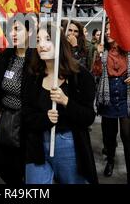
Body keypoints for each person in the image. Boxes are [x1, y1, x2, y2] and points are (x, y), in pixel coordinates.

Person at [24, 23, 98, 184]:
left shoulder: (80, 76)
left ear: (60, 43)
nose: (41, 45)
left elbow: (88, 117)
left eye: (48, 39)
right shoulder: (33, 75)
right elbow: (26, 115)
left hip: (68, 144)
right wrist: (45, 118)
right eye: (38, 40)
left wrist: (66, 101)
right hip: (36, 145)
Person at [93, 22, 130, 184]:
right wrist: (97, 55)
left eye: (111, 29)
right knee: (109, 136)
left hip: (126, 97)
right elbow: (95, 72)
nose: (107, 32)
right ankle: (110, 161)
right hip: (107, 97)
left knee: (126, 136)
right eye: (106, 30)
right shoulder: (103, 51)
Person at [0, 16, 35, 184]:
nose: (12, 33)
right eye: (11, 29)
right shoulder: (5, 56)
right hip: (4, 118)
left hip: (26, 122)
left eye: (17, 29)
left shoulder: (37, 59)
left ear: (30, 32)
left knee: (21, 164)